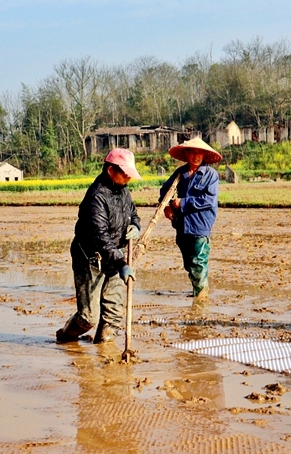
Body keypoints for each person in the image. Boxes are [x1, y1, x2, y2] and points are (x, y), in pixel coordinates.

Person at [56, 148, 141, 344]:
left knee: (113, 313)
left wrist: (135, 225)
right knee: (88, 317)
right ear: (111, 170)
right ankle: (66, 336)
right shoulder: (96, 197)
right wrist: (122, 264)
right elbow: (101, 238)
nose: (128, 177)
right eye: (125, 173)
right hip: (90, 258)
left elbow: (133, 213)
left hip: (116, 258)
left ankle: (105, 357)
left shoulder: (123, 191)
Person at [159, 138, 220, 303]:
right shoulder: (180, 174)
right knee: (189, 263)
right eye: (192, 153)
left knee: (198, 261)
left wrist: (183, 202)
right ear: (186, 154)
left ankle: (201, 297)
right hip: (182, 225)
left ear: (204, 155)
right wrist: (167, 207)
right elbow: (165, 190)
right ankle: (197, 290)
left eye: (199, 153)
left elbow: (208, 200)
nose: (196, 156)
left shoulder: (210, 175)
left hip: (200, 225)